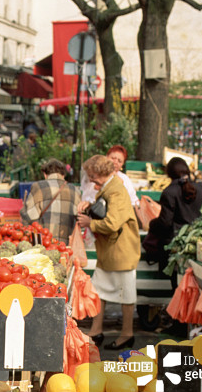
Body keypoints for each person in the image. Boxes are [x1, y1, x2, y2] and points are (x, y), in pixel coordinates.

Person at [76, 155, 140, 350]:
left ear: (102, 173)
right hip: (111, 253)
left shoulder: (117, 191)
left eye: (92, 175)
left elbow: (112, 222)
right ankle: (96, 331)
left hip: (121, 253)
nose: (90, 179)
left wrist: (90, 223)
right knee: (99, 290)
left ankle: (127, 334)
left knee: (126, 295)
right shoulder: (108, 188)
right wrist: (89, 205)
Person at [147, 157, 202, 270]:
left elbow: (165, 222)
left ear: (169, 174)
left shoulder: (169, 192)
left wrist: (152, 224)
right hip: (201, 245)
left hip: (177, 249)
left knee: (177, 285)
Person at [20, 158, 81, 241]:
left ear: (45, 174)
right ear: (63, 175)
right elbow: (79, 218)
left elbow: (29, 216)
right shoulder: (75, 190)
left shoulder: (38, 187)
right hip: (67, 243)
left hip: (45, 242)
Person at [80, 145, 139, 210]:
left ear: (122, 164)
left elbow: (134, 201)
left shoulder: (124, 179)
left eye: (119, 161)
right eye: (113, 158)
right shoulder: (93, 171)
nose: (115, 162)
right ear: (106, 157)